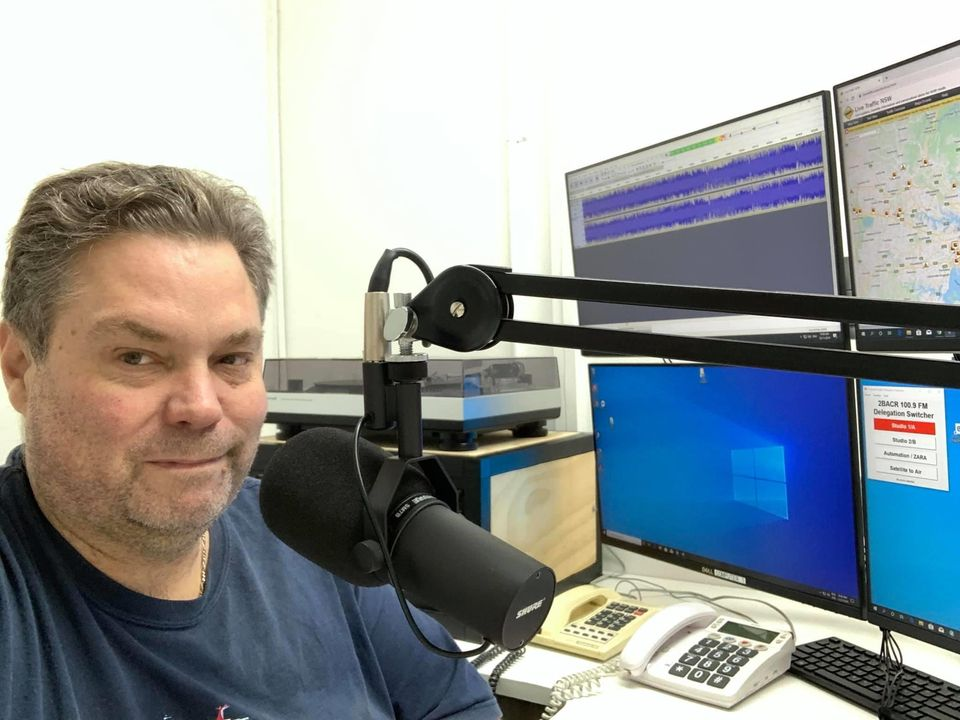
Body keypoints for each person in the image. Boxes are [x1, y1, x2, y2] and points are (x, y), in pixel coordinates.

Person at [0, 162, 501, 719]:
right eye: (136, 357)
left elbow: (456, 707)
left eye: (232, 359)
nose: (201, 408)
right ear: (20, 367)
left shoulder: (309, 537)